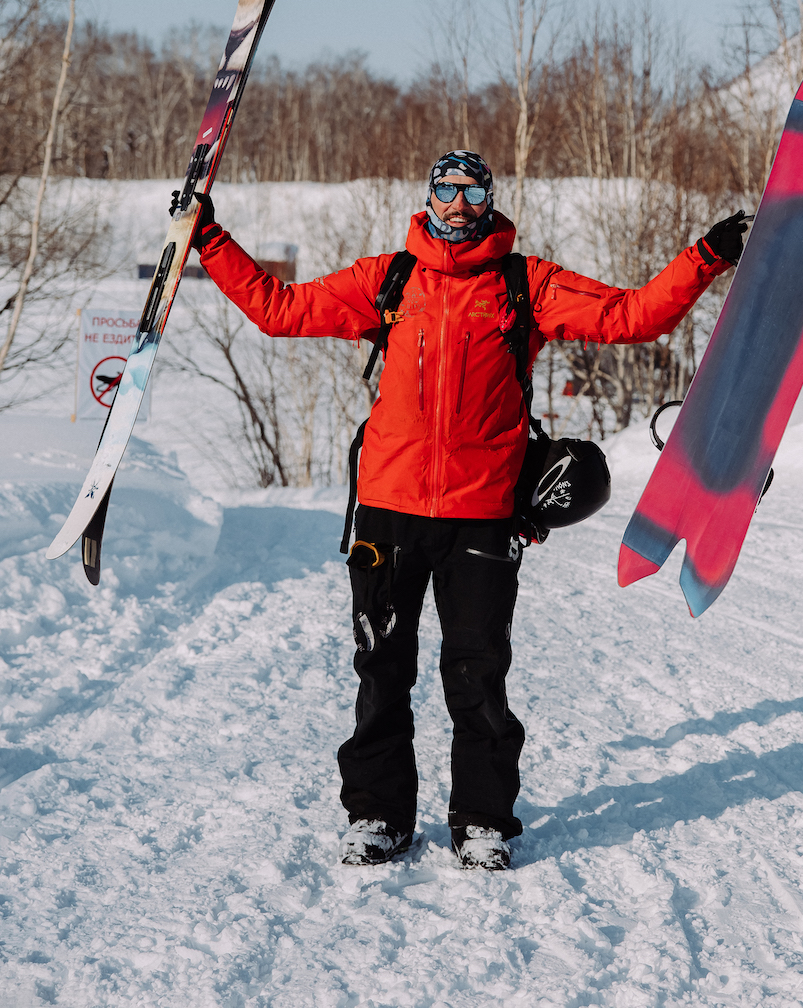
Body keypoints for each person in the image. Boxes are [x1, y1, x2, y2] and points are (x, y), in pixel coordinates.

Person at [191, 151, 746, 871]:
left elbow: (631, 317)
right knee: (382, 668)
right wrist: (209, 239)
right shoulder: (389, 279)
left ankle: (483, 820)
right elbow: (279, 310)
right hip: (389, 511)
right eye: (446, 190)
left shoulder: (525, 284)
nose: (458, 204)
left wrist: (706, 256)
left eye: (473, 192)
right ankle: (378, 814)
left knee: (478, 674)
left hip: (483, 515)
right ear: (429, 197)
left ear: (489, 200)